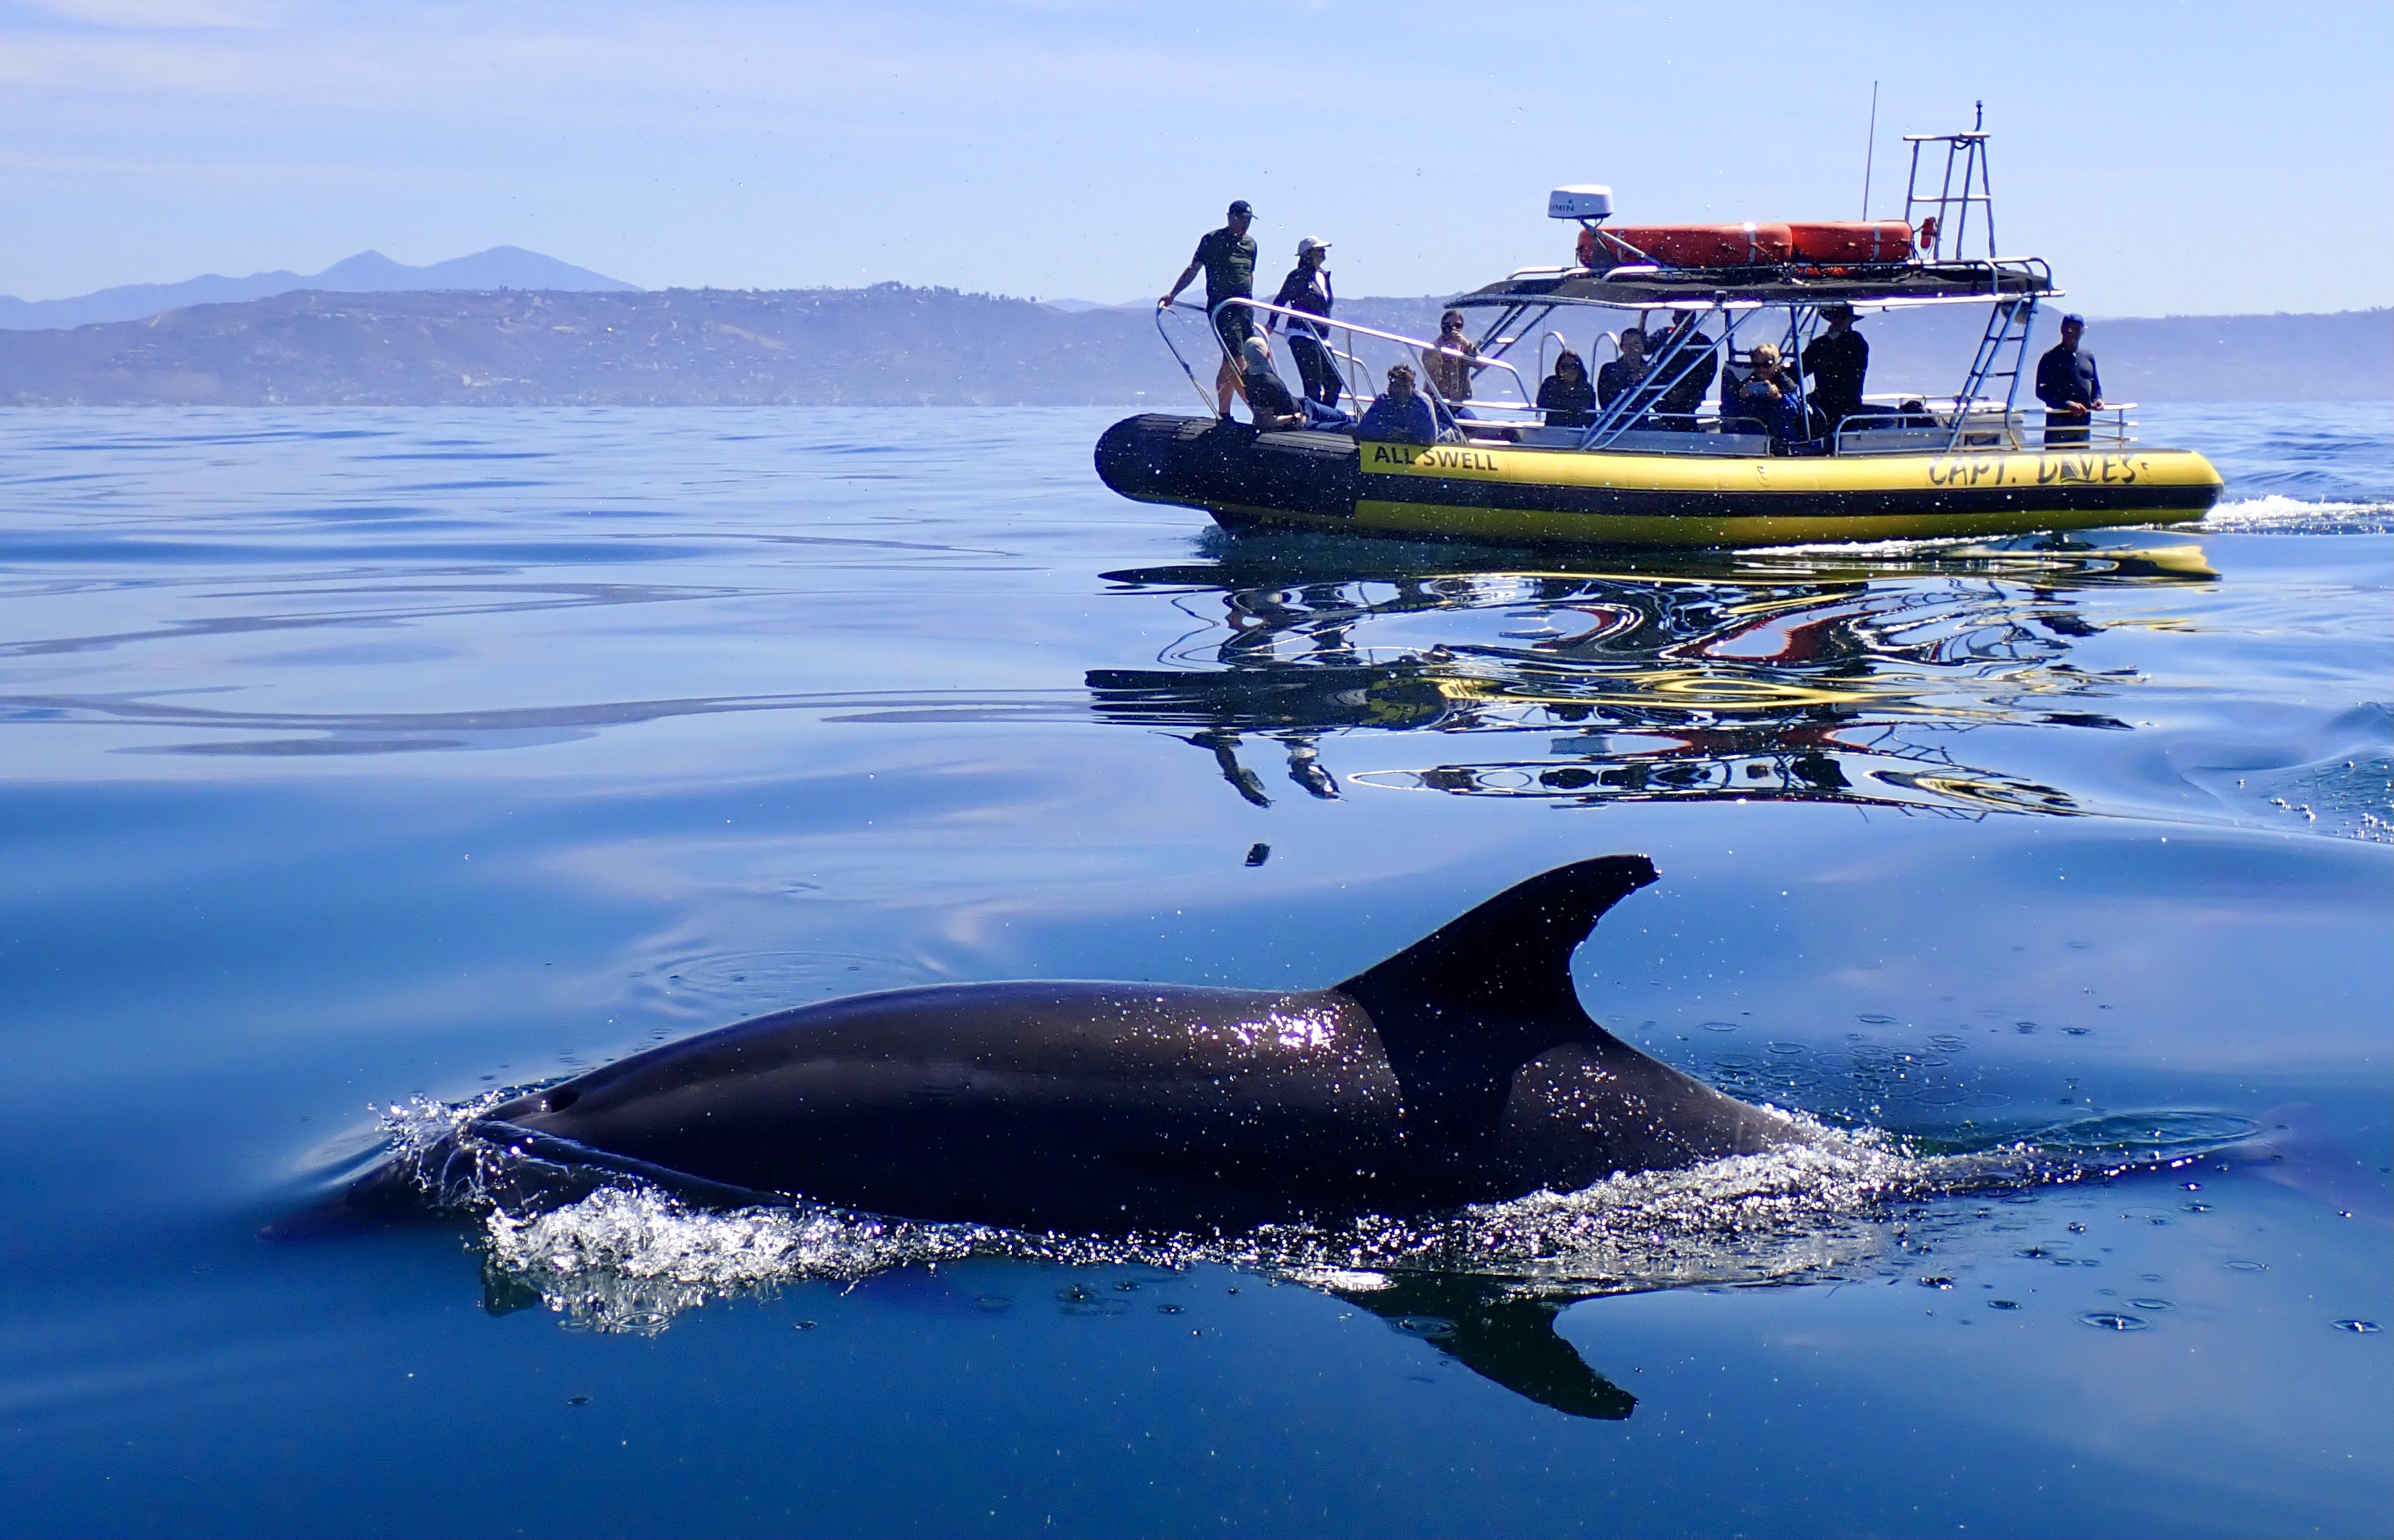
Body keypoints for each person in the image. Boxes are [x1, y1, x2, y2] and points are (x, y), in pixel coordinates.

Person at [1160, 200, 1259, 417]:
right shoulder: (1213, 240)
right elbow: (1194, 268)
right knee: (1236, 359)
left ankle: (1224, 414)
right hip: (1223, 309)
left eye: (1248, 221)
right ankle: (1257, 411)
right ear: (1230, 217)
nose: (1245, 225)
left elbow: (1249, 273)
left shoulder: (1251, 244)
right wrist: (1173, 294)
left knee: (1230, 362)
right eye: (1241, 220)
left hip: (1245, 309)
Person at [1267, 236, 1343, 409]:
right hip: (1302, 333)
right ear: (1308, 255)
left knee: (1335, 382)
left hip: (1322, 337)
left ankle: (1324, 415)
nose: (1323, 253)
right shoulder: (1297, 277)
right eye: (1319, 250)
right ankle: (1315, 419)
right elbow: (1280, 301)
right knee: (1313, 382)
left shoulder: (1324, 276)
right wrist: (1271, 325)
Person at [1802, 303, 1869, 438]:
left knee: (1841, 436)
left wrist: (1832, 340)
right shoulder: (1820, 344)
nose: (1837, 321)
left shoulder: (1856, 342)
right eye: (1834, 317)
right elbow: (1802, 367)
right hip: (1822, 403)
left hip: (1847, 403)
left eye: (1841, 318)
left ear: (1849, 321)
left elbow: (1848, 370)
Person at [2035, 313, 2103, 446]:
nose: (2074, 333)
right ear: (2063, 330)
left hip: (2082, 425)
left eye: (2078, 329)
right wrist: (2067, 404)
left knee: (2080, 463)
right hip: (2059, 424)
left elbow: (2095, 385)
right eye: (2070, 329)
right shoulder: (2050, 357)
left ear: (2083, 331)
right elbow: (2041, 391)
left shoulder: (2088, 356)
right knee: (2061, 464)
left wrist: (2098, 400)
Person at [1736, 342, 1807, 443]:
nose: (1761, 369)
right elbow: (1730, 413)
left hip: (1782, 436)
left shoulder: (1785, 383)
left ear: (1775, 364)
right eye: (1757, 365)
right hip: (1753, 438)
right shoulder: (1746, 383)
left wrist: (1780, 398)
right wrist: (1741, 398)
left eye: (1767, 365)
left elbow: (1795, 410)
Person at [1650, 322, 1716, 429]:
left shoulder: (1703, 342)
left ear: (1694, 318)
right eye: (1679, 315)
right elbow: (1645, 348)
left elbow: (1707, 373)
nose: (1684, 320)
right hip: (1660, 395)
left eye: (1687, 316)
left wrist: (1685, 391)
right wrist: (1644, 315)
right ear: (1673, 318)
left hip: (1689, 399)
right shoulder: (1664, 335)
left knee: (1684, 424)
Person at [1356, 363, 1437, 444]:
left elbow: (1430, 439)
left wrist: (1405, 436)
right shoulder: (1383, 400)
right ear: (1390, 387)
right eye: (1397, 386)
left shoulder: (1422, 404)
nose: (1401, 391)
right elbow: (1362, 429)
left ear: (1413, 387)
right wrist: (1392, 432)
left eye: (1405, 387)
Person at [1420, 309, 1483, 406]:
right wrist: (1444, 348)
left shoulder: (1465, 349)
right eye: (1449, 325)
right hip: (1437, 404)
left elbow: (1481, 364)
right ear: (1443, 326)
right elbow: (1430, 368)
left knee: (1472, 420)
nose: (1453, 328)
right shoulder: (1432, 349)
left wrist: (1467, 344)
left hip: (1458, 405)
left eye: (1458, 326)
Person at [1537, 349, 1596, 427]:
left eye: (1574, 366)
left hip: (1577, 432)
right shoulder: (1550, 384)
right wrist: (1570, 405)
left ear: (1580, 368)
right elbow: (1541, 402)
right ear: (1558, 368)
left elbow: (1591, 417)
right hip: (1553, 430)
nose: (1570, 370)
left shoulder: (1586, 389)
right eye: (1565, 367)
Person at [1596, 327, 1648, 410]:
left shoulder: (1651, 371)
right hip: (1615, 420)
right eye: (1628, 344)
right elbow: (1606, 401)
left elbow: (1658, 400)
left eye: (1637, 343)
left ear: (1643, 347)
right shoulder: (1608, 370)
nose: (1632, 348)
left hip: (1641, 420)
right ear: (1622, 347)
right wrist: (1631, 380)